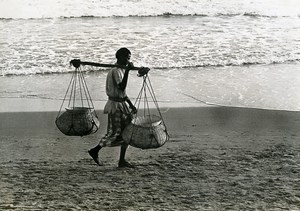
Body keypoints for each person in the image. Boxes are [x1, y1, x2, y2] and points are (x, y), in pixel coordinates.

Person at [88, 47, 138, 168]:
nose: (128, 60)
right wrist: (127, 71)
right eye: (126, 58)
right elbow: (121, 87)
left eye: (129, 58)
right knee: (114, 133)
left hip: (122, 104)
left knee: (127, 132)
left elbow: (123, 93)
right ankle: (95, 150)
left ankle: (122, 160)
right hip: (115, 106)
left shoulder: (121, 70)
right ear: (119, 57)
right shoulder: (116, 71)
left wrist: (131, 105)